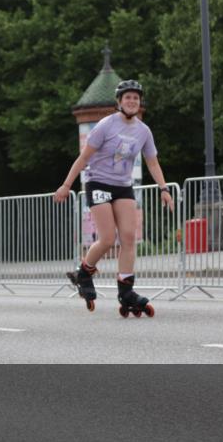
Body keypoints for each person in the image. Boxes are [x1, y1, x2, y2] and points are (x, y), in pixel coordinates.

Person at [54, 80, 174, 317]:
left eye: (136, 98)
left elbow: (152, 161)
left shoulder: (143, 131)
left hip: (122, 186)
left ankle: (126, 292)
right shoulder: (105, 125)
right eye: (127, 97)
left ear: (139, 104)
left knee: (129, 237)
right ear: (119, 102)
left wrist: (164, 187)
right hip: (98, 182)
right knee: (108, 238)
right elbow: (84, 157)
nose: (132, 101)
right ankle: (85, 272)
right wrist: (66, 185)